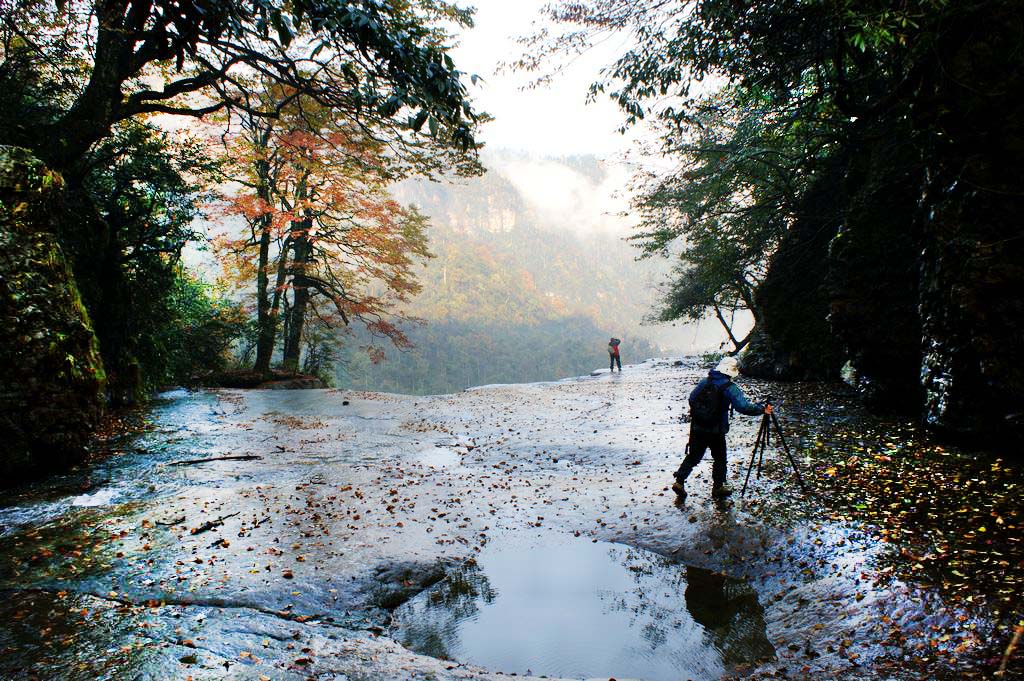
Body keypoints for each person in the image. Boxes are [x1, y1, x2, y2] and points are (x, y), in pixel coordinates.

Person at [672, 355, 768, 498]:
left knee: (694, 456)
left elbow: (692, 398)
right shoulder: (730, 388)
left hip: (698, 427)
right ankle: (718, 487)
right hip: (716, 430)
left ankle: (679, 481)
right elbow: (743, 407)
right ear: (731, 371)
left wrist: (702, 414)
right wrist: (761, 409)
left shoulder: (704, 382)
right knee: (720, 458)